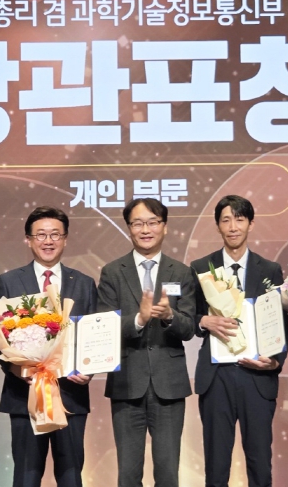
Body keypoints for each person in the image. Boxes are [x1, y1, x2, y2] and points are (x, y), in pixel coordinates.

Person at [0, 206, 97, 487]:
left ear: (65, 239)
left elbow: (94, 335)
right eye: (40, 235)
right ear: (28, 239)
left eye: (55, 235)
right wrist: (18, 369)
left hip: (71, 394)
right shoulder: (9, 281)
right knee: (26, 477)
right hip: (24, 394)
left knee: (71, 477)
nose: (48, 241)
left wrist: (89, 370)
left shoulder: (84, 283)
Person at [97, 197, 196, 487]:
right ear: (129, 228)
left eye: (152, 222)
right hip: (127, 383)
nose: (145, 229)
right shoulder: (113, 272)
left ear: (165, 227)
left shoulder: (181, 272)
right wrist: (139, 320)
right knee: (128, 474)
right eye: (138, 223)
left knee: (168, 473)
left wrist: (169, 316)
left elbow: (189, 327)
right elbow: (105, 325)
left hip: (169, 384)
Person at [190, 195, 286, 487]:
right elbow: (188, 317)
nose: (233, 227)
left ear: (250, 224)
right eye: (226, 220)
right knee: (216, 464)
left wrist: (274, 362)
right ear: (218, 226)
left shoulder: (270, 269)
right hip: (216, 376)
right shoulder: (200, 267)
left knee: (259, 462)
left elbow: (280, 322)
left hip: (257, 377)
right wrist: (203, 320)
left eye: (239, 219)